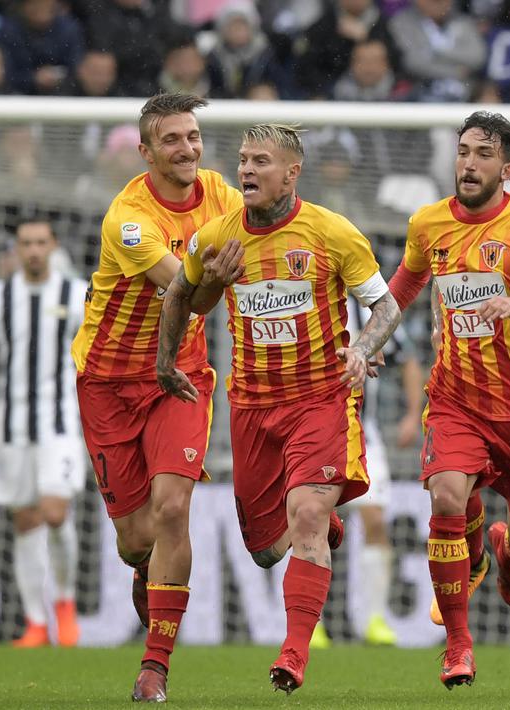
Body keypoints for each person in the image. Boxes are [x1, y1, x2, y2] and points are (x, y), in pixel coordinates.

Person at [155, 123, 401, 694]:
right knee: (266, 550)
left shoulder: (332, 232)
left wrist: (363, 349)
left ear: (292, 172)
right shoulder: (216, 236)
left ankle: (293, 655)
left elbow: (385, 306)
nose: (246, 171)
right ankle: (322, 518)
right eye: (242, 160)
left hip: (319, 399)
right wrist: (167, 362)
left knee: (306, 519)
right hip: (251, 407)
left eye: (260, 161)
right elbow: (177, 294)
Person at [385, 110, 510, 688]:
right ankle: (457, 646)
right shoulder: (428, 224)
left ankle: (506, 551)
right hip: (457, 398)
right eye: (463, 151)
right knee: (447, 496)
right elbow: (404, 285)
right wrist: (370, 341)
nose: (468, 163)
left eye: (482, 154)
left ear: (505, 167)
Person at [70, 93, 243, 703]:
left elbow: (268, 239)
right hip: (110, 382)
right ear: (145, 152)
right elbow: (188, 296)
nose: (187, 148)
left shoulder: (223, 195)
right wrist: (218, 277)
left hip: (181, 373)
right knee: (137, 538)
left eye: (193, 136)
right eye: (171, 140)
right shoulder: (129, 219)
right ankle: (145, 568)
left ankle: (154, 668)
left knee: (174, 510)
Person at [0, 218, 86, 648]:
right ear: (16, 249)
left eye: (40, 243)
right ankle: (35, 622)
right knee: (25, 521)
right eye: (25, 243)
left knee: (54, 513)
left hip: (61, 424)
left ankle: (65, 604)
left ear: (53, 245)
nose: (33, 250)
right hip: (13, 428)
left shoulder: (76, 295)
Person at [312, 294, 425, 650]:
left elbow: (406, 359)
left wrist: (411, 413)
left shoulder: (366, 309)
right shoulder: (308, 305)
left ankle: (374, 618)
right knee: (310, 521)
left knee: (375, 521)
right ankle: (311, 621)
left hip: (363, 431)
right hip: (313, 431)